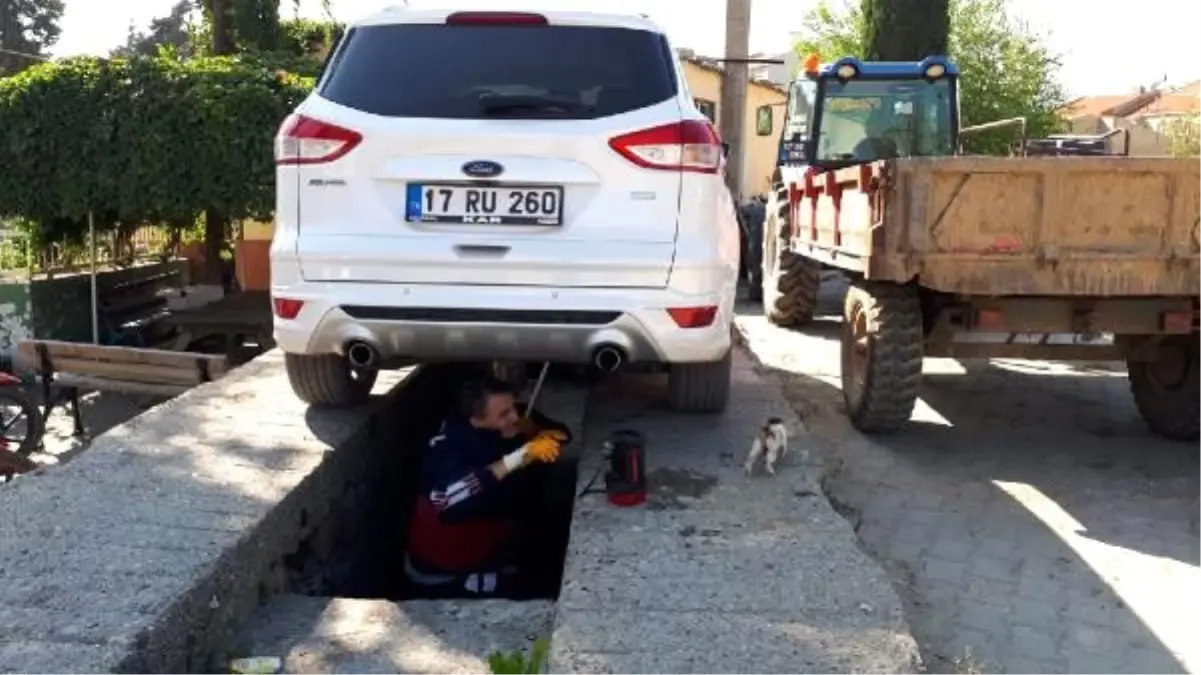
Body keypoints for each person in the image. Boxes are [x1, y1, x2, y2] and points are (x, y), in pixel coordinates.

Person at [404, 375, 574, 598]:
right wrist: (519, 456)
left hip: (501, 532)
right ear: (476, 420)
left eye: (513, 407)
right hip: (450, 571)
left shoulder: (508, 419)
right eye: (504, 414)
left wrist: (536, 429)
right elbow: (444, 501)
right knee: (538, 591)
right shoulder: (451, 448)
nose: (514, 416)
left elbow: (561, 433)